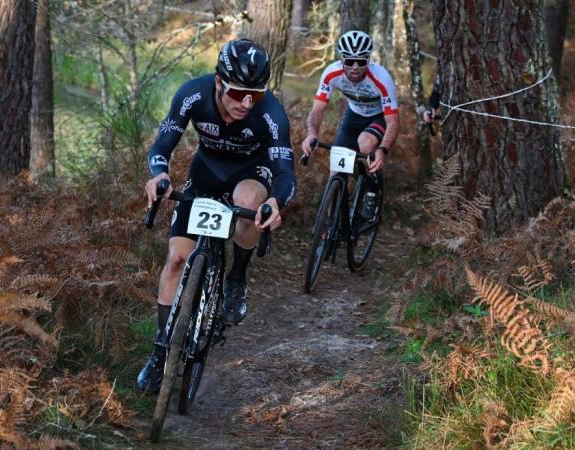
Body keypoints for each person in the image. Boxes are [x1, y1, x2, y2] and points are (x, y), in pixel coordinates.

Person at [137, 39, 297, 394]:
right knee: (177, 260)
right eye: (239, 93)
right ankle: (161, 351)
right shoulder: (192, 95)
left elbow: (285, 172)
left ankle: (236, 279)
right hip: (206, 171)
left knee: (248, 201)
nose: (245, 103)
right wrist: (160, 175)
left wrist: (275, 203)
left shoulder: (270, 113)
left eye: (254, 95)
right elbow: (163, 144)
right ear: (219, 81)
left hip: (251, 172)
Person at [301, 30, 399, 220]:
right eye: (349, 61)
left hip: (378, 117)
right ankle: (329, 229)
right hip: (353, 117)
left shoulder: (382, 78)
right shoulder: (332, 73)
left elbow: (393, 121)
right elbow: (317, 110)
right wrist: (312, 133)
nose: (355, 67)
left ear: (368, 60)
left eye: (361, 62)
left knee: (365, 143)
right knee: (335, 173)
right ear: (341, 59)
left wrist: (383, 150)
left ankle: (372, 191)